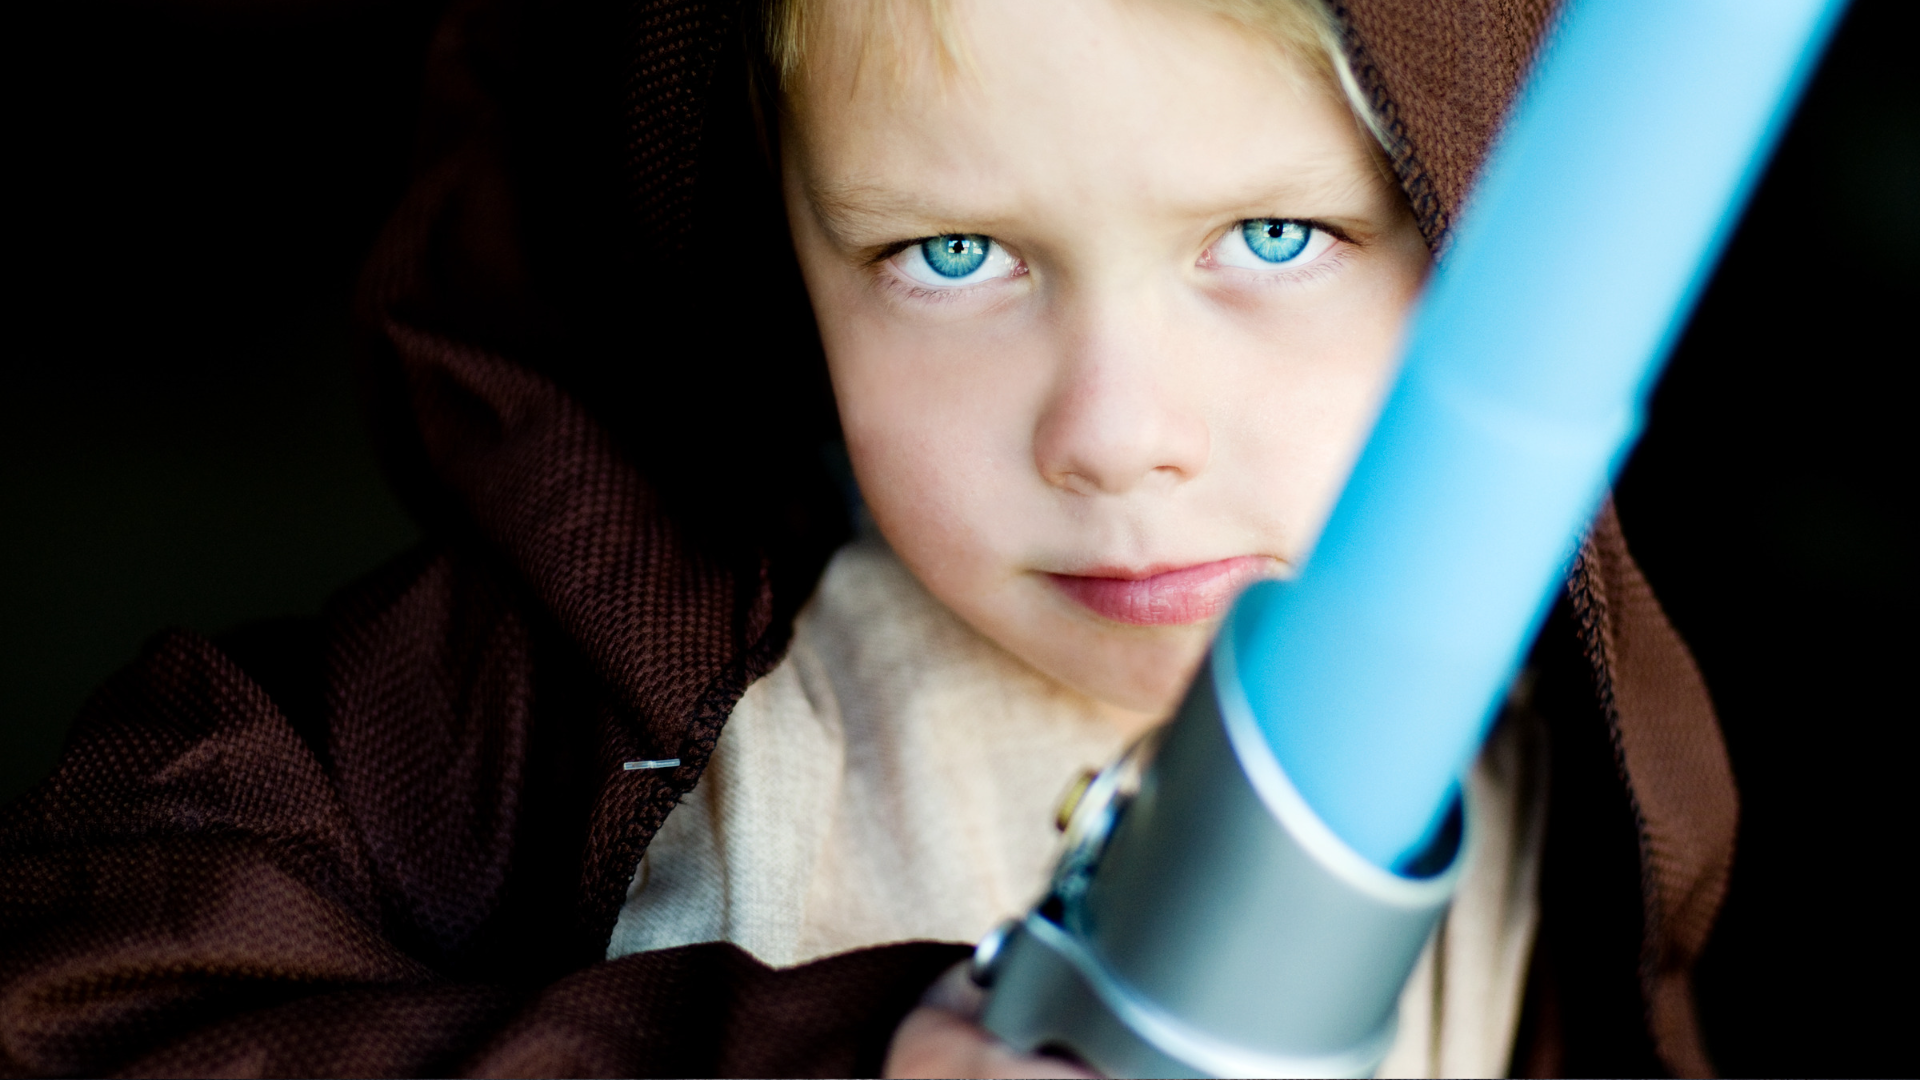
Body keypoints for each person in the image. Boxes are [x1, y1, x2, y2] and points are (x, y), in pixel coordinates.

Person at [0, 0, 1736, 1076]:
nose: (1117, 434)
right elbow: (91, 1007)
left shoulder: (1533, 753)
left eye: (1274, 236)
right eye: (953, 256)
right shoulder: (563, 700)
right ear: (787, 245)